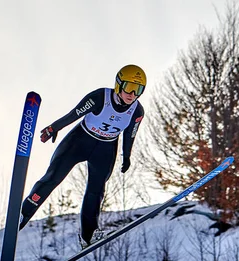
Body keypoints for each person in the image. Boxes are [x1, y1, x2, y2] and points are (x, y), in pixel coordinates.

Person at [19, 64, 146, 249]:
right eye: (129, 87)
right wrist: (54, 128)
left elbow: (130, 134)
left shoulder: (137, 111)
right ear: (119, 84)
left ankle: (88, 235)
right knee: (54, 177)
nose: (132, 94)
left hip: (105, 149)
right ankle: (24, 213)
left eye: (138, 90)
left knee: (96, 191)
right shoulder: (100, 97)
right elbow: (74, 113)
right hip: (79, 141)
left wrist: (126, 156)